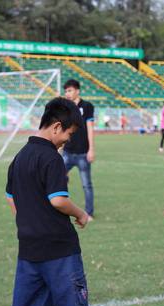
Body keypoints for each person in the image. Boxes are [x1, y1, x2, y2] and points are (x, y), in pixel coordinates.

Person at [5, 97, 91, 306]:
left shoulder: (20, 156)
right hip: (58, 244)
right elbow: (58, 200)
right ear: (56, 127)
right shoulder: (51, 158)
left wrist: (27, 220)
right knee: (68, 293)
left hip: (28, 242)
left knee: (27, 292)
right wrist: (80, 213)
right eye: (68, 134)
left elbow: (10, 197)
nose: (67, 140)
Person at [63, 79, 95, 219]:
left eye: (70, 90)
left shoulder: (87, 106)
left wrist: (91, 149)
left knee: (86, 185)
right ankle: (59, 207)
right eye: (66, 91)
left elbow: (90, 129)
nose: (67, 94)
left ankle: (88, 213)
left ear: (77, 91)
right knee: (58, 178)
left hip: (83, 153)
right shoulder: (66, 107)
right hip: (68, 152)